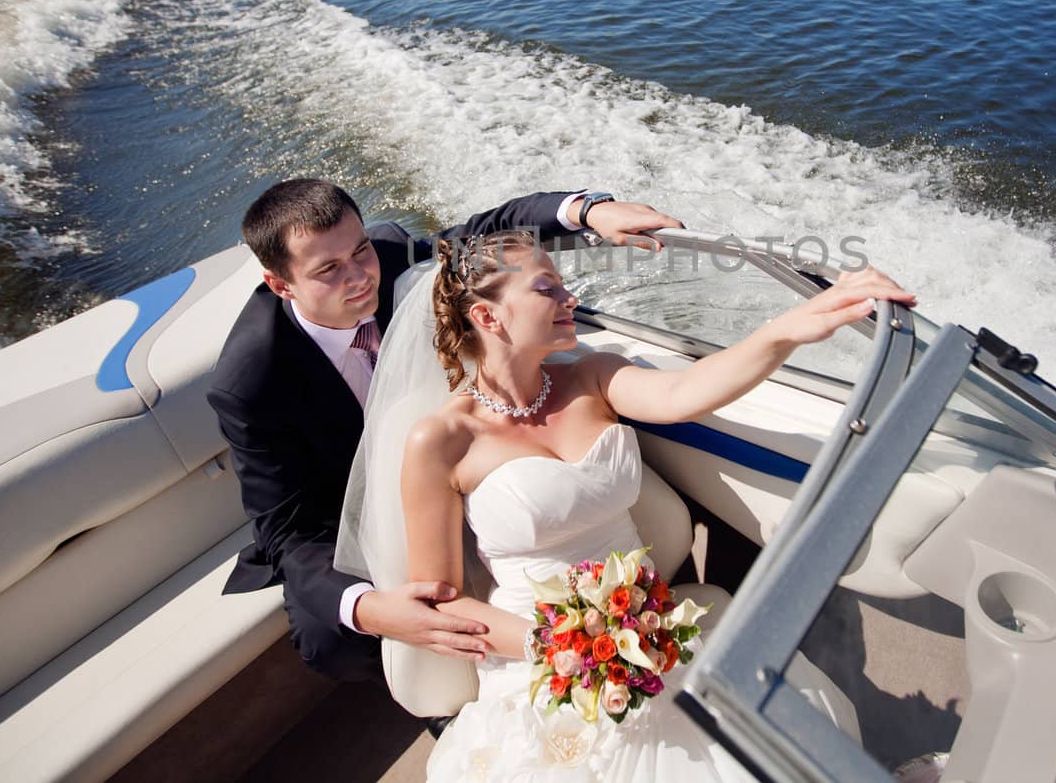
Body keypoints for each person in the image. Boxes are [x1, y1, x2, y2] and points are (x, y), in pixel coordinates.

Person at [340, 230, 916, 779]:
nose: (571, 299)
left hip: (657, 627)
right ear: (488, 317)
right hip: (539, 658)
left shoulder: (593, 376)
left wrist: (794, 326)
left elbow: (686, 392)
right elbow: (442, 604)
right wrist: (566, 650)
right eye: (547, 290)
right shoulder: (441, 441)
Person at [206, 180, 680, 682]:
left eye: (360, 250)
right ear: (281, 284)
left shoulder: (391, 257)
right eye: (328, 269)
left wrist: (587, 212)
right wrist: (370, 608)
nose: (359, 277)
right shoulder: (252, 382)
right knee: (333, 644)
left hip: (466, 466)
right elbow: (288, 533)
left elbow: (487, 233)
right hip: (346, 520)